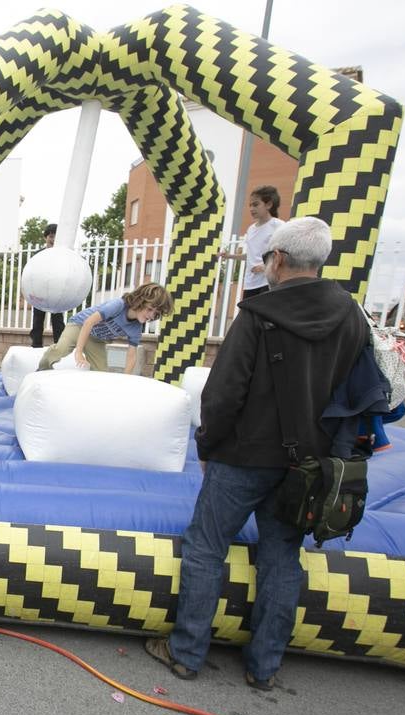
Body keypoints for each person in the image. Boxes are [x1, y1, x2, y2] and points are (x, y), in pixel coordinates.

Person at [145, 217, 369, 690]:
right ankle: (264, 665)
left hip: (243, 457)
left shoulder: (257, 314)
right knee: (283, 556)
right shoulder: (352, 315)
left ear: (280, 260)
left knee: (206, 548)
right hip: (309, 466)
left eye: (267, 258)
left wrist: (207, 446)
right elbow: (358, 393)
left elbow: (223, 394)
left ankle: (186, 652)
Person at [37, 282, 173, 373]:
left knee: (101, 372)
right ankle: (41, 370)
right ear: (140, 301)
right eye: (150, 309)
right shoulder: (118, 305)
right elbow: (89, 322)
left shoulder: (136, 328)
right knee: (60, 349)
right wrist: (78, 351)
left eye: (156, 314)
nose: (151, 316)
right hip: (79, 326)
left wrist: (124, 378)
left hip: (96, 339)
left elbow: (132, 356)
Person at [221, 185, 284, 300]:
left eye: (255, 204)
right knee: (249, 316)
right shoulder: (251, 229)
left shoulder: (278, 226)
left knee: (264, 316)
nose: (251, 209)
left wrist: (266, 267)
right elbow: (250, 256)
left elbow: (286, 253)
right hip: (250, 283)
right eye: (250, 205)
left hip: (268, 282)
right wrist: (229, 256)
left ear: (269, 205)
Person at [26, 223, 65, 348]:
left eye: (55, 237)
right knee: (38, 318)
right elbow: (31, 271)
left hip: (56, 291)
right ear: (46, 237)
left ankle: (59, 345)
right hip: (40, 290)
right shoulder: (38, 254)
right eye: (51, 236)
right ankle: (36, 344)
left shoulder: (62, 254)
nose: (53, 240)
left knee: (57, 319)